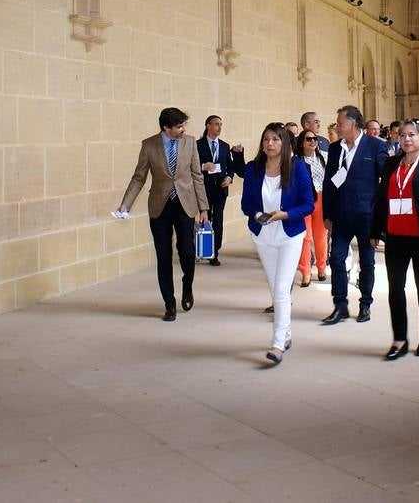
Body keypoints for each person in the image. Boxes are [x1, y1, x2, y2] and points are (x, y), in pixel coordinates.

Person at [231, 123, 316, 364]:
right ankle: (286, 334)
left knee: (281, 289)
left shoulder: (298, 168)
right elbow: (247, 203)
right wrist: (256, 214)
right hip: (263, 235)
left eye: (275, 139)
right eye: (266, 139)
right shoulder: (253, 169)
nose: (270, 144)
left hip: (289, 234)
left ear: (284, 143)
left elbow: (307, 204)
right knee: (274, 286)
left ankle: (278, 344)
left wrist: (284, 214)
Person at [118, 107, 210, 321]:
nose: (183, 129)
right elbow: (138, 177)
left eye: (184, 125)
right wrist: (126, 204)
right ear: (166, 128)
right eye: (179, 126)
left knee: (187, 252)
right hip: (159, 207)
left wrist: (203, 208)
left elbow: (197, 176)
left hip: (185, 205)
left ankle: (187, 288)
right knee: (163, 256)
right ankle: (169, 304)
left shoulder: (190, 142)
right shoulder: (149, 145)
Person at [371, 120, 419, 359]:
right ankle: (399, 339)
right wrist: (375, 230)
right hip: (396, 237)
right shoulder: (391, 164)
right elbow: (381, 200)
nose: (406, 139)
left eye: (412, 135)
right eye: (402, 135)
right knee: (395, 289)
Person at [321, 105, 390, 325]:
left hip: (366, 216)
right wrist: (327, 214)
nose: (338, 127)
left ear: (353, 124)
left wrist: (380, 221)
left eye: (341, 123)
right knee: (337, 260)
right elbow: (329, 184)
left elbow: (385, 183)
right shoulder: (334, 149)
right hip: (340, 216)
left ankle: (365, 305)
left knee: (367, 262)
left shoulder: (375, 147)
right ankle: (340, 305)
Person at [196, 115, 234, 266]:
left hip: (220, 189)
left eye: (221, 125)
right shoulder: (197, 145)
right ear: (208, 126)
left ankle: (214, 253)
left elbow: (230, 166)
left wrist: (229, 178)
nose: (219, 127)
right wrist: (202, 166)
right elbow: (189, 165)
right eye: (216, 124)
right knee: (205, 219)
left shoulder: (224, 146)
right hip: (203, 188)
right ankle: (199, 248)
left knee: (218, 220)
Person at [295, 129, 329, 286]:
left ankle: (322, 267)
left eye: (315, 139)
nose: (313, 141)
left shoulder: (324, 158)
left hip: (322, 199)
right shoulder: (297, 161)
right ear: (302, 143)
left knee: (321, 237)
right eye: (308, 139)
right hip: (305, 201)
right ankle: (306, 272)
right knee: (305, 238)